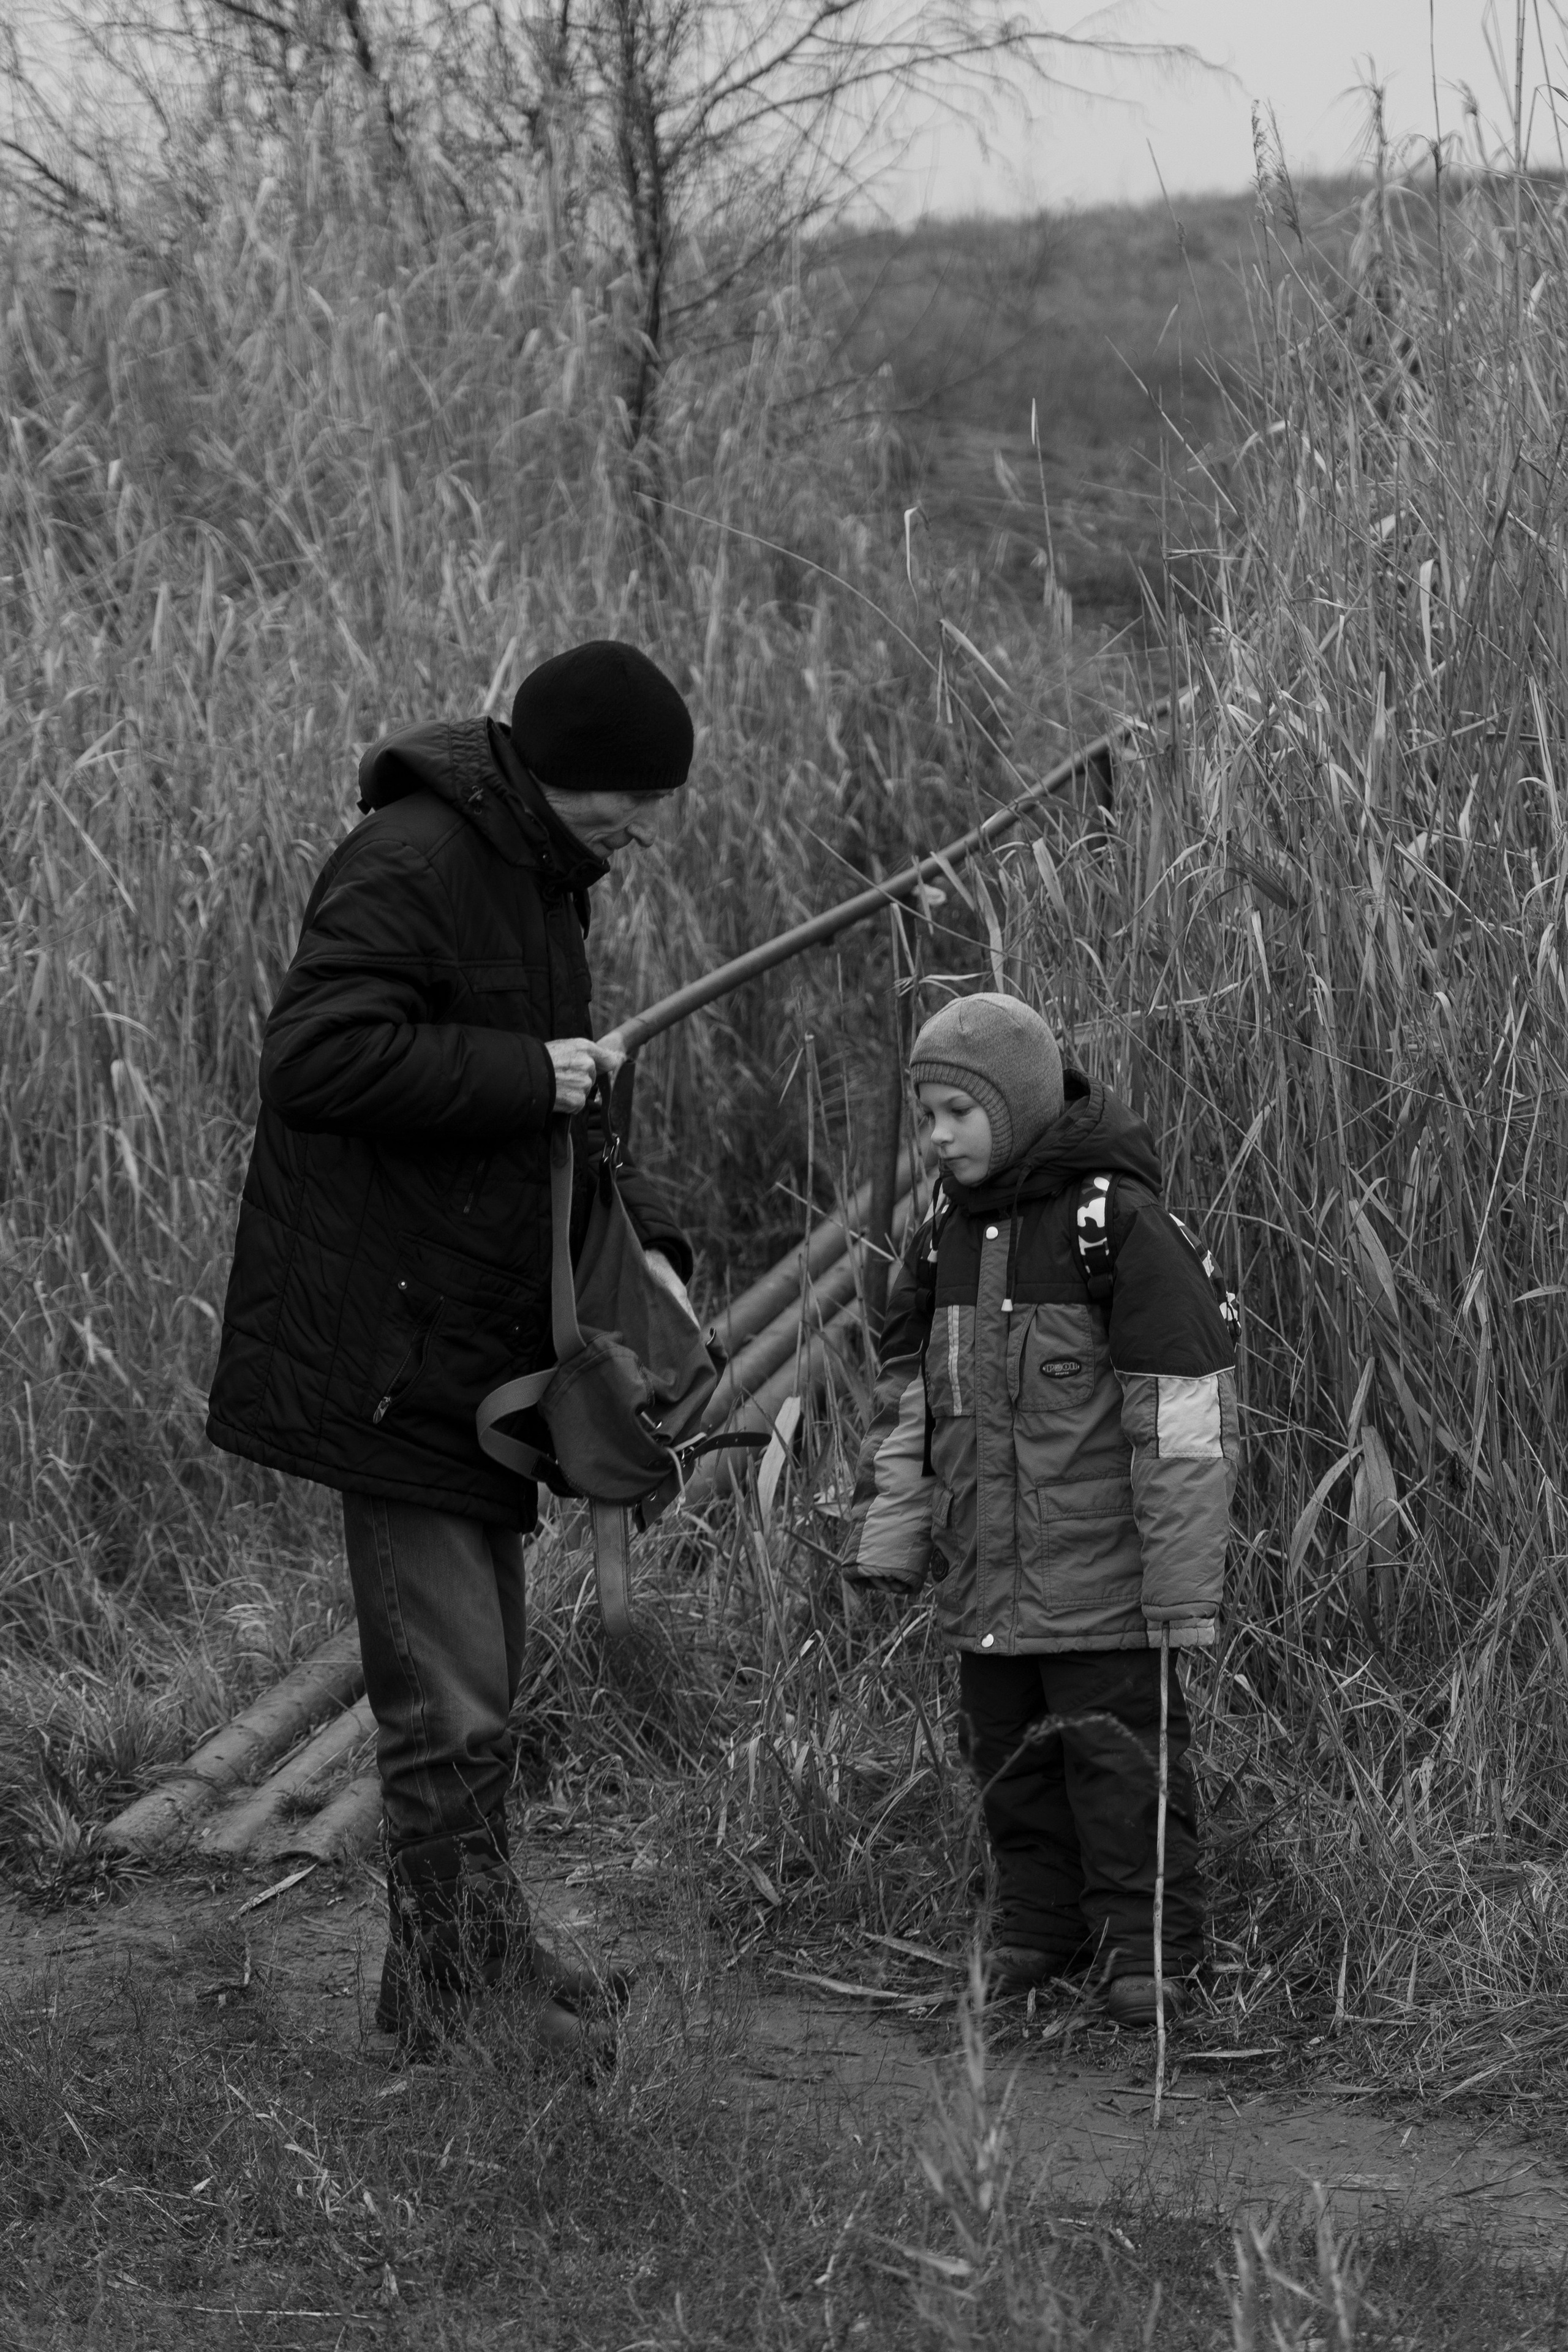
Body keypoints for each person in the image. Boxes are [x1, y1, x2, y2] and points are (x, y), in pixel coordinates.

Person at [207, 639, 696, 2049]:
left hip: (470, 1343)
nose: (640, 830)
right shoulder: (412, 859)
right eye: (628, 798)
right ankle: (450, 2009)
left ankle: (466, 1966)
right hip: (391, 1347)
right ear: (560, 773)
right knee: (451, 1703)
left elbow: (564, 1100)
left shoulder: (537, 878)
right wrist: (517, 1072)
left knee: (480, 1687)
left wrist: (645, 1234)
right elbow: (312, 1058)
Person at [844, 992, 1238, 2023]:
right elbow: (910, 1407)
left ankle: (1148, 1954)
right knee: (1010, 1764)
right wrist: (893, 1541)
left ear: (1013, 1107)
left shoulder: (1118, 1225)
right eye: (925, 1114)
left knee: (1123, 1770)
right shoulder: (941, 1242)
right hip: (989, 1577)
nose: (934, 1138)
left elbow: (1180, 1419)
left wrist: (1183, 1591)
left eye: (955, 1115)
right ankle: (1037, 1927)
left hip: (1106, 1584)